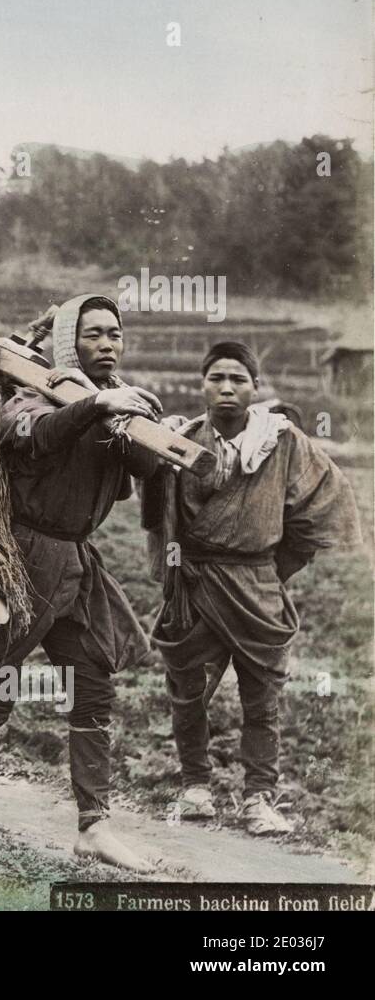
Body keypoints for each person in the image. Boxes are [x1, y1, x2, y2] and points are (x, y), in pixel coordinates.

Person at [0, 294, 164, 872]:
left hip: (78, 559)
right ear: (70, 340)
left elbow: (148, 472)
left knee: (93, 681)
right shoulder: (31, 393)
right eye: (94, 334)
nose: (108, 344)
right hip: (21, 555)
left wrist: (143, 428)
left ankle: (93, 825)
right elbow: (36, 437)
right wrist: (98, 404)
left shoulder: (120, 402)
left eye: (116, 334)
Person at [145, 342, 361, 835]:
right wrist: (179, 573)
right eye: (216, 378)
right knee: (188, 694)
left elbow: (324, 502)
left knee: (261, 702)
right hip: (196, 586)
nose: (226, 388)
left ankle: (259, 798)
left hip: (257, 587)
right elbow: (160, 518)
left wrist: (275, 566)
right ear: (201, 385)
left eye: (238, 379)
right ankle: (195, 786)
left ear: (255, 388)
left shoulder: (281, 442)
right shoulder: (179, 441)